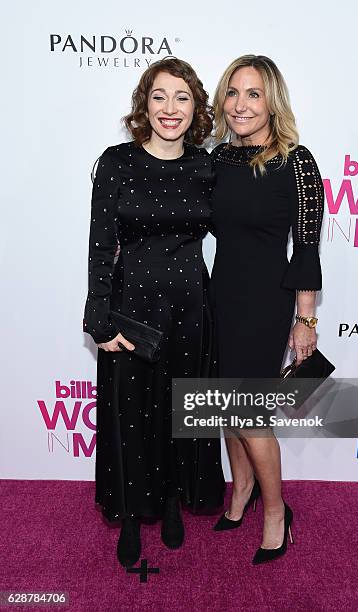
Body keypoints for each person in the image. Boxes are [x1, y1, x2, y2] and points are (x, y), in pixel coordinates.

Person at [83, 57, 225, 567]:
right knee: (129, 411)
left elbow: (248, 223)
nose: (171, 108)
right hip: (131, 308)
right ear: (145, 102)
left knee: (176, 411)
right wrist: (97, 317)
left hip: (190, 304)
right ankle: (128, 514)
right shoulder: (117, 161)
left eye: (182, 98)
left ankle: (170, 500)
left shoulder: (208, 167)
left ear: (196, 108)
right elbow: (101, 246)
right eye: (160, 96)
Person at [210, 55, 324, 565]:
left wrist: (305, 319)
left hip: (266, 300)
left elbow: (306, 246)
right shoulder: (217, 160)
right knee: (224, 406)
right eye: (233, 93)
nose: (240, 104)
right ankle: (241, 492)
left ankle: (276, 512)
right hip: (219, 294)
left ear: (272, 101)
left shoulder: (296, 162)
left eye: (253, 94)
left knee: (247, 410)